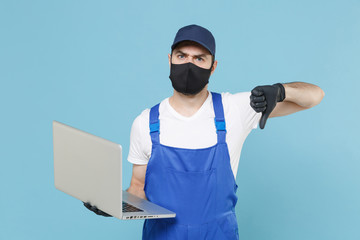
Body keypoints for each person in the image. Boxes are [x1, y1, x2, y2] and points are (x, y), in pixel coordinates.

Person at [85, 24, 325, 239]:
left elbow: (314, 96)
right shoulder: (146, 122)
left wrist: (281, 90)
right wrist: (115, 204)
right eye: (182, 56)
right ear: (170, 59)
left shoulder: (236, 109)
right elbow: (138, 187)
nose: (189, 64)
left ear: (213, 67)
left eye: (199, 59)